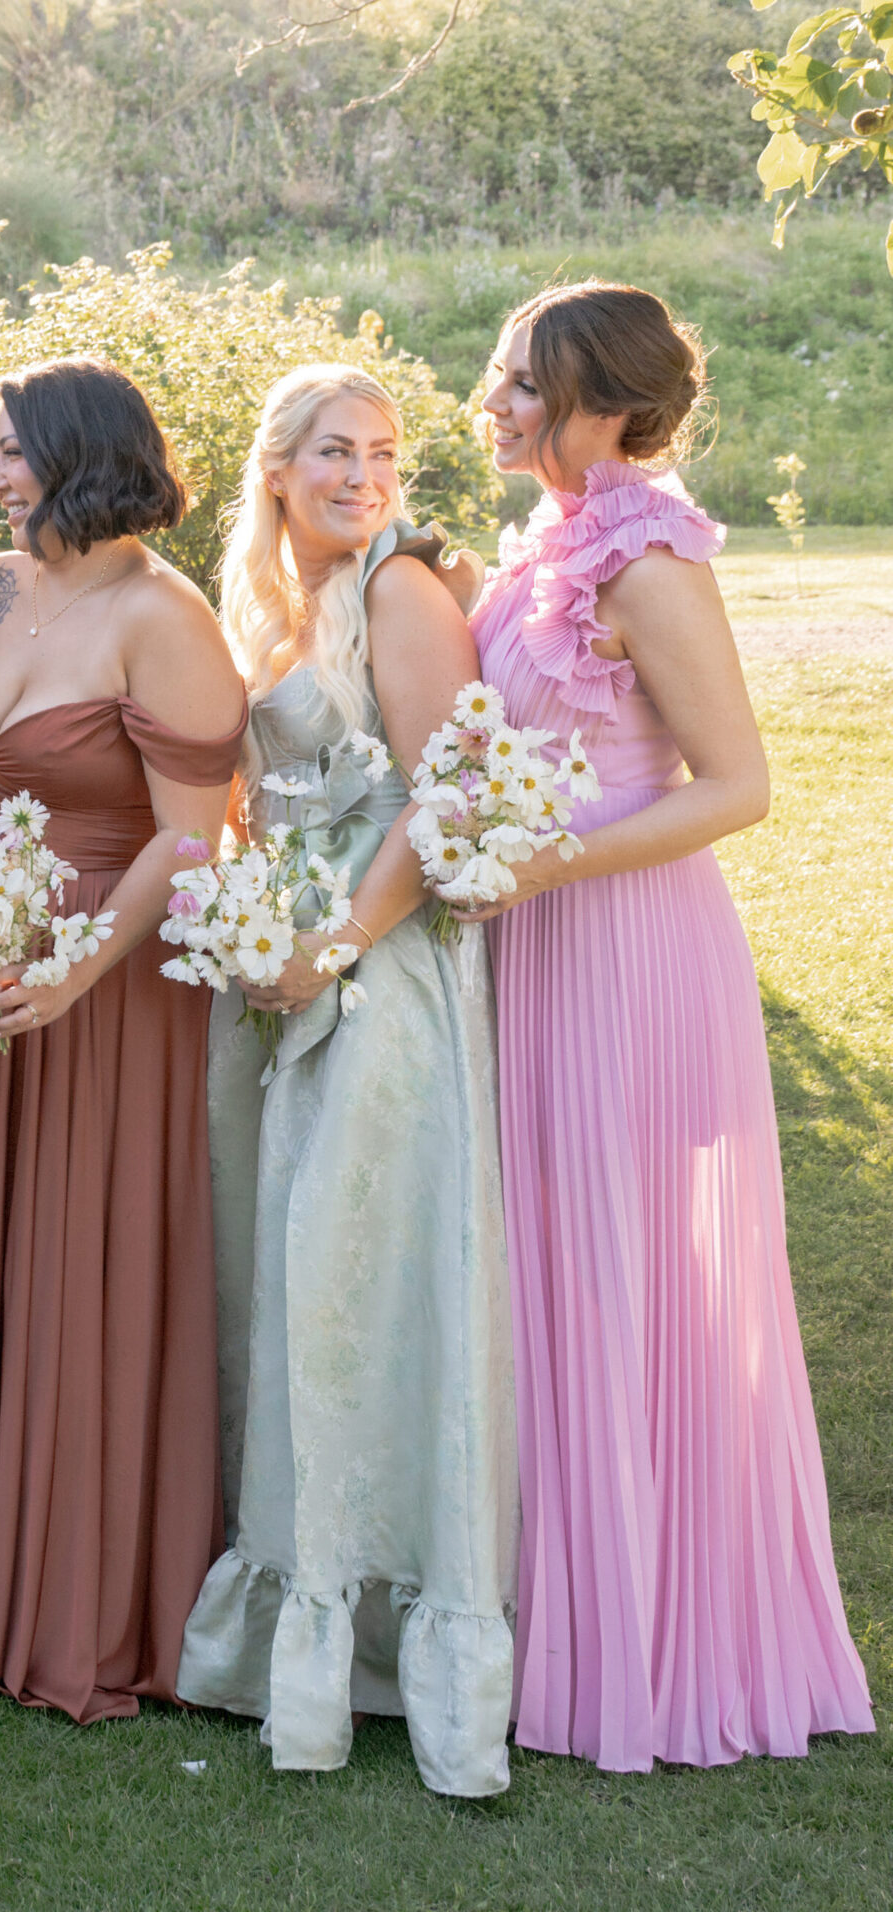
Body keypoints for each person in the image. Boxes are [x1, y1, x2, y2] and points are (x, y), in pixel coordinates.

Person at [464, 282, 873, 1771]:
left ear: (609, 410)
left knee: (630, 1278)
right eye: (501, 376)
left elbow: (738, 784)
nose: (495, 404)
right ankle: (560, 1608)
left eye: (526, 385)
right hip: (541, 945)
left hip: (628, 951)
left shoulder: (646, 555)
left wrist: (543, 859)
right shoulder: (551, 543)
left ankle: (661, 1637)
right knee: (557, 1271)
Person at [171, 365, 516, 1797]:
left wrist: (331, 946)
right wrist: (260, 935)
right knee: (288, 1289)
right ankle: (298, 1625)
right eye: (332, 450)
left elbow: (451, 799)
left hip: (383, 977)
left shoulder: (405, 595)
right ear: (275, 467)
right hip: (277, 976)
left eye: (381, 452)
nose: (362, 473)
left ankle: (396, 1645)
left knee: (364, 1277)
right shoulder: (258, 603)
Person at [0, 359, 245, 1723]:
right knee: (8, 1262)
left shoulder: (161, 617)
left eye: (10, 454)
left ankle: (98, 1605)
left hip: (113, 983)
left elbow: (194, 835)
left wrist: (68, 973)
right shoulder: (4, 592)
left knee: (92, 1261)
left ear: (80, 458)